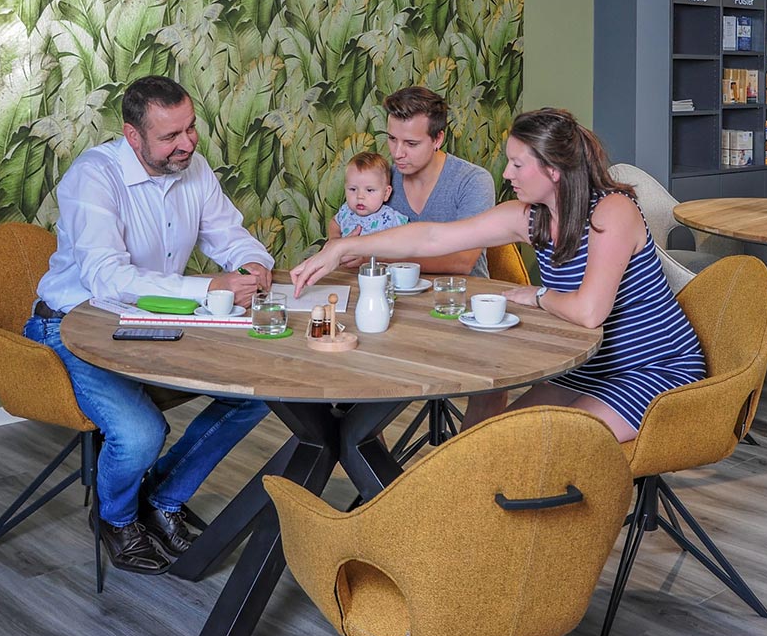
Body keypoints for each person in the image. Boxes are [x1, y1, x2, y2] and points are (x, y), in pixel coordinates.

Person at [291, 107, 706, 442]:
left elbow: (589, 312)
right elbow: (433, 237)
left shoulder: (612, 211)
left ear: (553, 170)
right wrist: (344, 247)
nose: (506, 174)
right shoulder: (530, 217)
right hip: (585, 371)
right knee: (490, 443)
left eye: (517, 164)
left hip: (653, 371)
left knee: (538, 446)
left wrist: (537, 295)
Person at [26, 75, 273, 575]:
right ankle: (116, 518)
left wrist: (252, 264)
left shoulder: (192, 167)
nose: (187, 143)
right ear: (132, 135)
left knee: (258, 392)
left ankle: (161, 499)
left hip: (154, 321)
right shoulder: (93, 177)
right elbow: (107, 279)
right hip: (72, 326)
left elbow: (229, 235)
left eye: (191, 128)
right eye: (170, 136)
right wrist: (211, 287)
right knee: (140, 432)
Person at [376, 86, 495, 276]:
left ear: (438, 139)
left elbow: (462, 261)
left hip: (464, 293)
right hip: (396, 293)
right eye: (392, 139)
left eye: (411, 143)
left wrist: (377, 257)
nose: (397, 153)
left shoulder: (473, 181)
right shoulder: (381, 181)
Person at [327, 151, 408, 239]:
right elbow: (334, 222)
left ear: (386, 193)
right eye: (353, 189)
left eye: (369, 190)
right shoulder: (346, 211)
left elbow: (410, 237)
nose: (360, 196)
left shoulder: (391, 218)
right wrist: (335, 238)